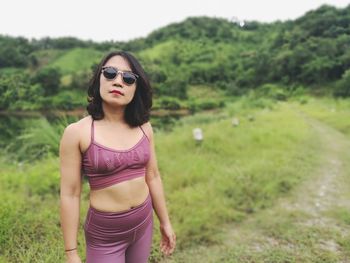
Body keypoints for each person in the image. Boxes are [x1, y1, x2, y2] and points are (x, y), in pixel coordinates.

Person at [59, 51, 176, 263]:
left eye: (128, 78)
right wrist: (71, 253)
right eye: (110, 73)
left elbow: (153, 176)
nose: (118, 81)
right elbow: (70, 193)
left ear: (135, 88)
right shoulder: (77, 132)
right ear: (99, 79)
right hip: (105, 235)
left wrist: (165, 222)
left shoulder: (144, 127)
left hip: (143, 223)